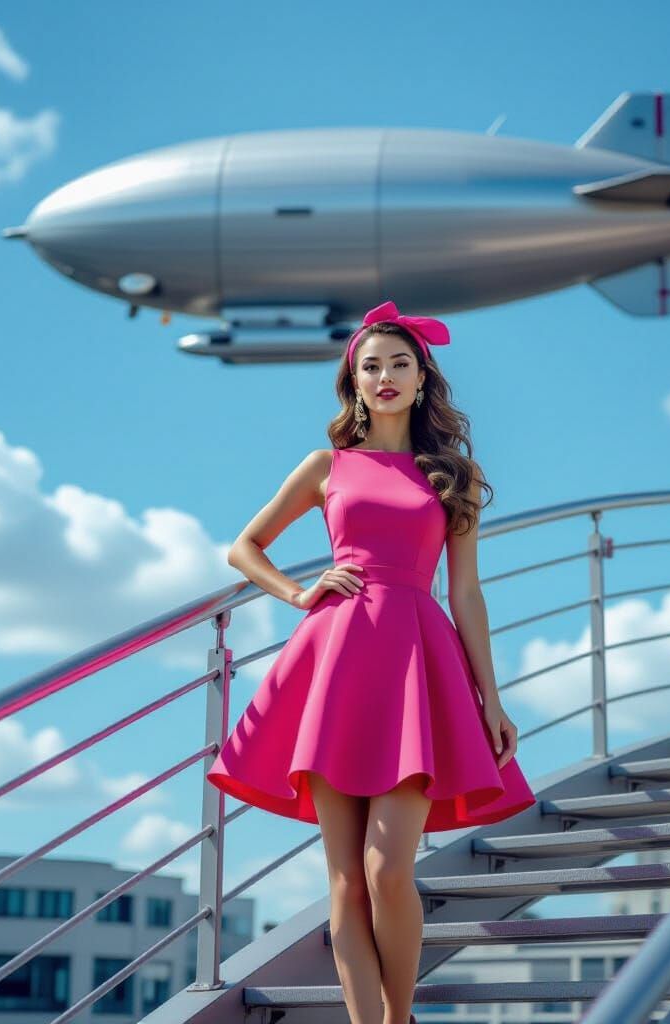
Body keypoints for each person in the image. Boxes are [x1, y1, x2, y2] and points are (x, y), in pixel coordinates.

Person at [207, 299, 537, 1024]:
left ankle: (399, 1016)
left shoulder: (451, 475)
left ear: (423, 380)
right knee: (345, 880)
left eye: (400, 364)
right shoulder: (326, 466)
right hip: (335, 662)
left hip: (418, 661)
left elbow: (468, 594)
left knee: (389, 870)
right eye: (371, 366)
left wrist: (491, 697)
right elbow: (243, 547)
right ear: (353, 383)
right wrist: (298, 591)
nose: (385, 376)